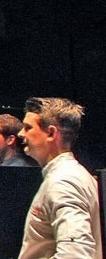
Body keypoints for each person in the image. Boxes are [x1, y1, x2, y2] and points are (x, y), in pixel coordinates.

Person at [18, 97, 102, 258]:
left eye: (28, 127)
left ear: (51, 133)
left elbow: (75, 254)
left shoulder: (64, 181)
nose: (21, 133)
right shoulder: (73, 174)